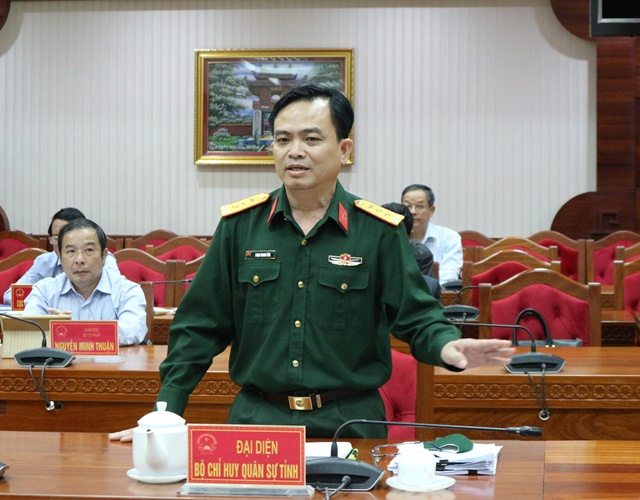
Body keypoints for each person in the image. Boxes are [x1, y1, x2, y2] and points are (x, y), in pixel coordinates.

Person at [110, 84, 513, 442]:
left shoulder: (378, 231)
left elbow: (416, 316)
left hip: (350, 422)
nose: (295, 151)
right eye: (282, 139)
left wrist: (446, 345)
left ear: (344, 150)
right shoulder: (240, 227)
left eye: (311, 138)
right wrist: (167, 410)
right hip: (258, 421)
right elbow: (199, 325)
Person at [23, 218, 147, 346]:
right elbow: (29, 331)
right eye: (71, 251)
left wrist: (69, 331)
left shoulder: (127, 290)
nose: (79, 259)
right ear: (60, 256)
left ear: (104, 256)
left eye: (89, 250)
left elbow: (131, 331)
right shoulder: (44, 291)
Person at [2, 207, 120, 305]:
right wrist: (44, 303)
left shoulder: (101, 259)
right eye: (56, 238)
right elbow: (12, 295)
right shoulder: (44, 262)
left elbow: (116, 293)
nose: (60, 243)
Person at [401, 184, 463, 284]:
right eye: (408, 206)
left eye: (419, 206)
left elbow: (449, 276)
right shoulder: (392, 237)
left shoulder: (449, 237)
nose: (412, 212)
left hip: (437, 292)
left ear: (431, 210)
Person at [382, 202, 441, 300]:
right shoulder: (364, 252)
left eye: (395, 237)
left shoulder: (421, 255)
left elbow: (421, 292)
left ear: (410, 236)